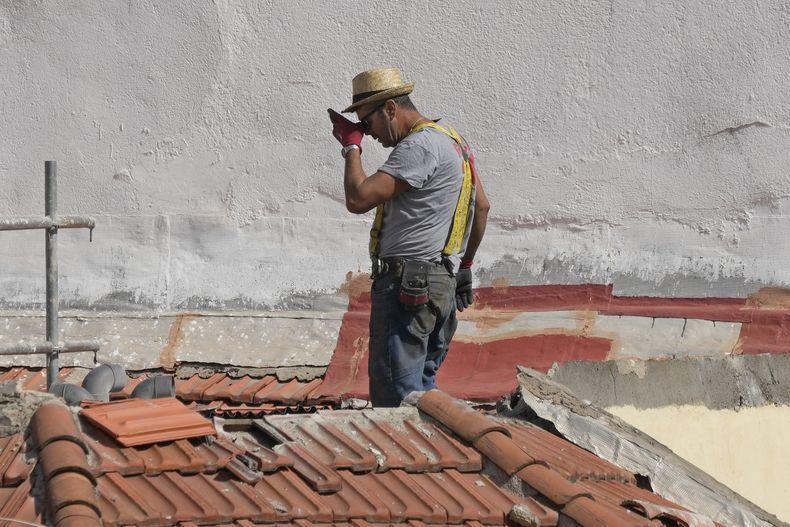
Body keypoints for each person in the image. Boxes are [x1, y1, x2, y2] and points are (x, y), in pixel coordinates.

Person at [328, 67, 490, 407]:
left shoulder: (418, 147)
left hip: (407, 286)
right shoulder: (453, 142)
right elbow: (483, 207)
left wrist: (350, 149)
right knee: (423, 399)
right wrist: (466, 266)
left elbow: (358, 198)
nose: (368, 134)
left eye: (367, 123)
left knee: (395, 404)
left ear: (390, 109)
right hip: (439, 283)